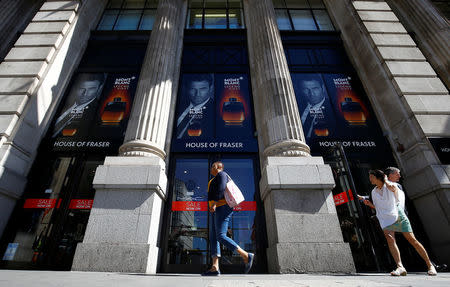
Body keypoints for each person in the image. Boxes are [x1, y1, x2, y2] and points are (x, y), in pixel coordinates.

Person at [359, 170, 437, 276]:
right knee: (390, 240)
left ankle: (430, 265)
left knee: (412, 240)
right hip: (385, 218)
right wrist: (369, 204)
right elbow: (379, 207)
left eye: (372, 176)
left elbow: (393, 189)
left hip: (398, 215)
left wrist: (386, 180)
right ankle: (400, 267)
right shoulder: (374, 191)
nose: (370, 179)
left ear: (379, 177)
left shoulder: (392, 185)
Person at [202, 161, 254, 276]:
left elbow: (221, 189)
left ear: (216, 167)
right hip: (215, 209)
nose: (211, 169)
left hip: (222, 207)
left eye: (212, 166)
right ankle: (215, 267)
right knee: (213, 237)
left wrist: (214, 203)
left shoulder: (222, 174)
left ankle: (245, 255)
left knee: (220, 236)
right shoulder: (214, 179)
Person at [297, 75, 335, 140]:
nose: (311, 93)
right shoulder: (297, 107)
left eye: (315, 88)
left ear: (322, 88)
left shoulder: (333, 108)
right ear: (301, 91)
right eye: (306, 89)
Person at [176, 74, 214, 139]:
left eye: (202, 89)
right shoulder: (177, 104)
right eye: (192, 89)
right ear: (187, 89)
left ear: (210, 89)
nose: (197, 94)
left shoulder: (216, 112)